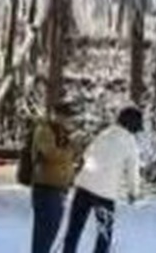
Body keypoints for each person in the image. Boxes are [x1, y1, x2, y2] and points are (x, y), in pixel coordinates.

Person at [64, 106, 145, 253]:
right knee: (104, 234)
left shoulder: (105, 133)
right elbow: (132, 171)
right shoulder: (130, 142)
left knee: (74, 229)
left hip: (84, 186)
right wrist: (133, 192)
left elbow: (87, 154)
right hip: (105, 194)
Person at [25, 101, 84, 253]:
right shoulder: (44, 130)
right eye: (67, 117)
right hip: (46, 188)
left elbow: (68, 157)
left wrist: (76, 151)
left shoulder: (62, 132)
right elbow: (50, 154)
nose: (70, 121)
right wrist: (71, 149)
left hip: (59, 188)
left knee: (52, 230)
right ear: (57, 116)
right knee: (45, 231)